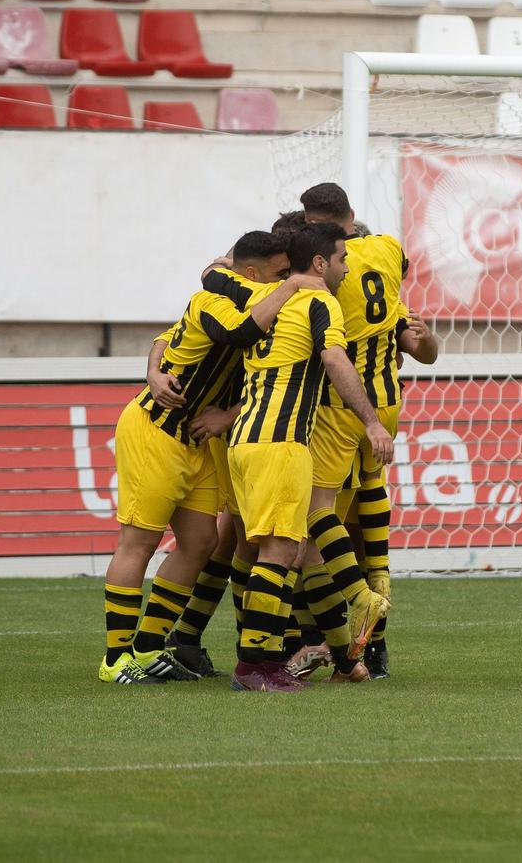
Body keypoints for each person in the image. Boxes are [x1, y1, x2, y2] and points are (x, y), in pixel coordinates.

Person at [99, 231, 314, 685]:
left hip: (197, 441)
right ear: (251, 274)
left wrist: (226, 413)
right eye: (279, 273)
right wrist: (153, 373)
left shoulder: (269, 305)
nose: (286, 280)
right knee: (138, 541)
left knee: (199, 544)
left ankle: (148, 647)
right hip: (156, 431)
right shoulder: (213, 300)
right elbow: (234, 332)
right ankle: (115, 658)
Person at [227, 224, 391, 693]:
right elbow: (336, 361)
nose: (345, 267)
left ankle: (289, 660)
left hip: (245, 439)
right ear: (319, 263)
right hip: (280, 442)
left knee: (285, 551)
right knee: (279, 553)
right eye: (340, 259)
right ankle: (255, 666)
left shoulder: (266, 299)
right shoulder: (320, 302)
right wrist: (371, 421)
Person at [288, 187, 437, 680]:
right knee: (366, 523)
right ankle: (372, 651)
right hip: (387, 402)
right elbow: (407, 318)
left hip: (340, 405)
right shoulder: (388, 250)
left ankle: (350, 615)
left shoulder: (319, 281)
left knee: (314, 518)